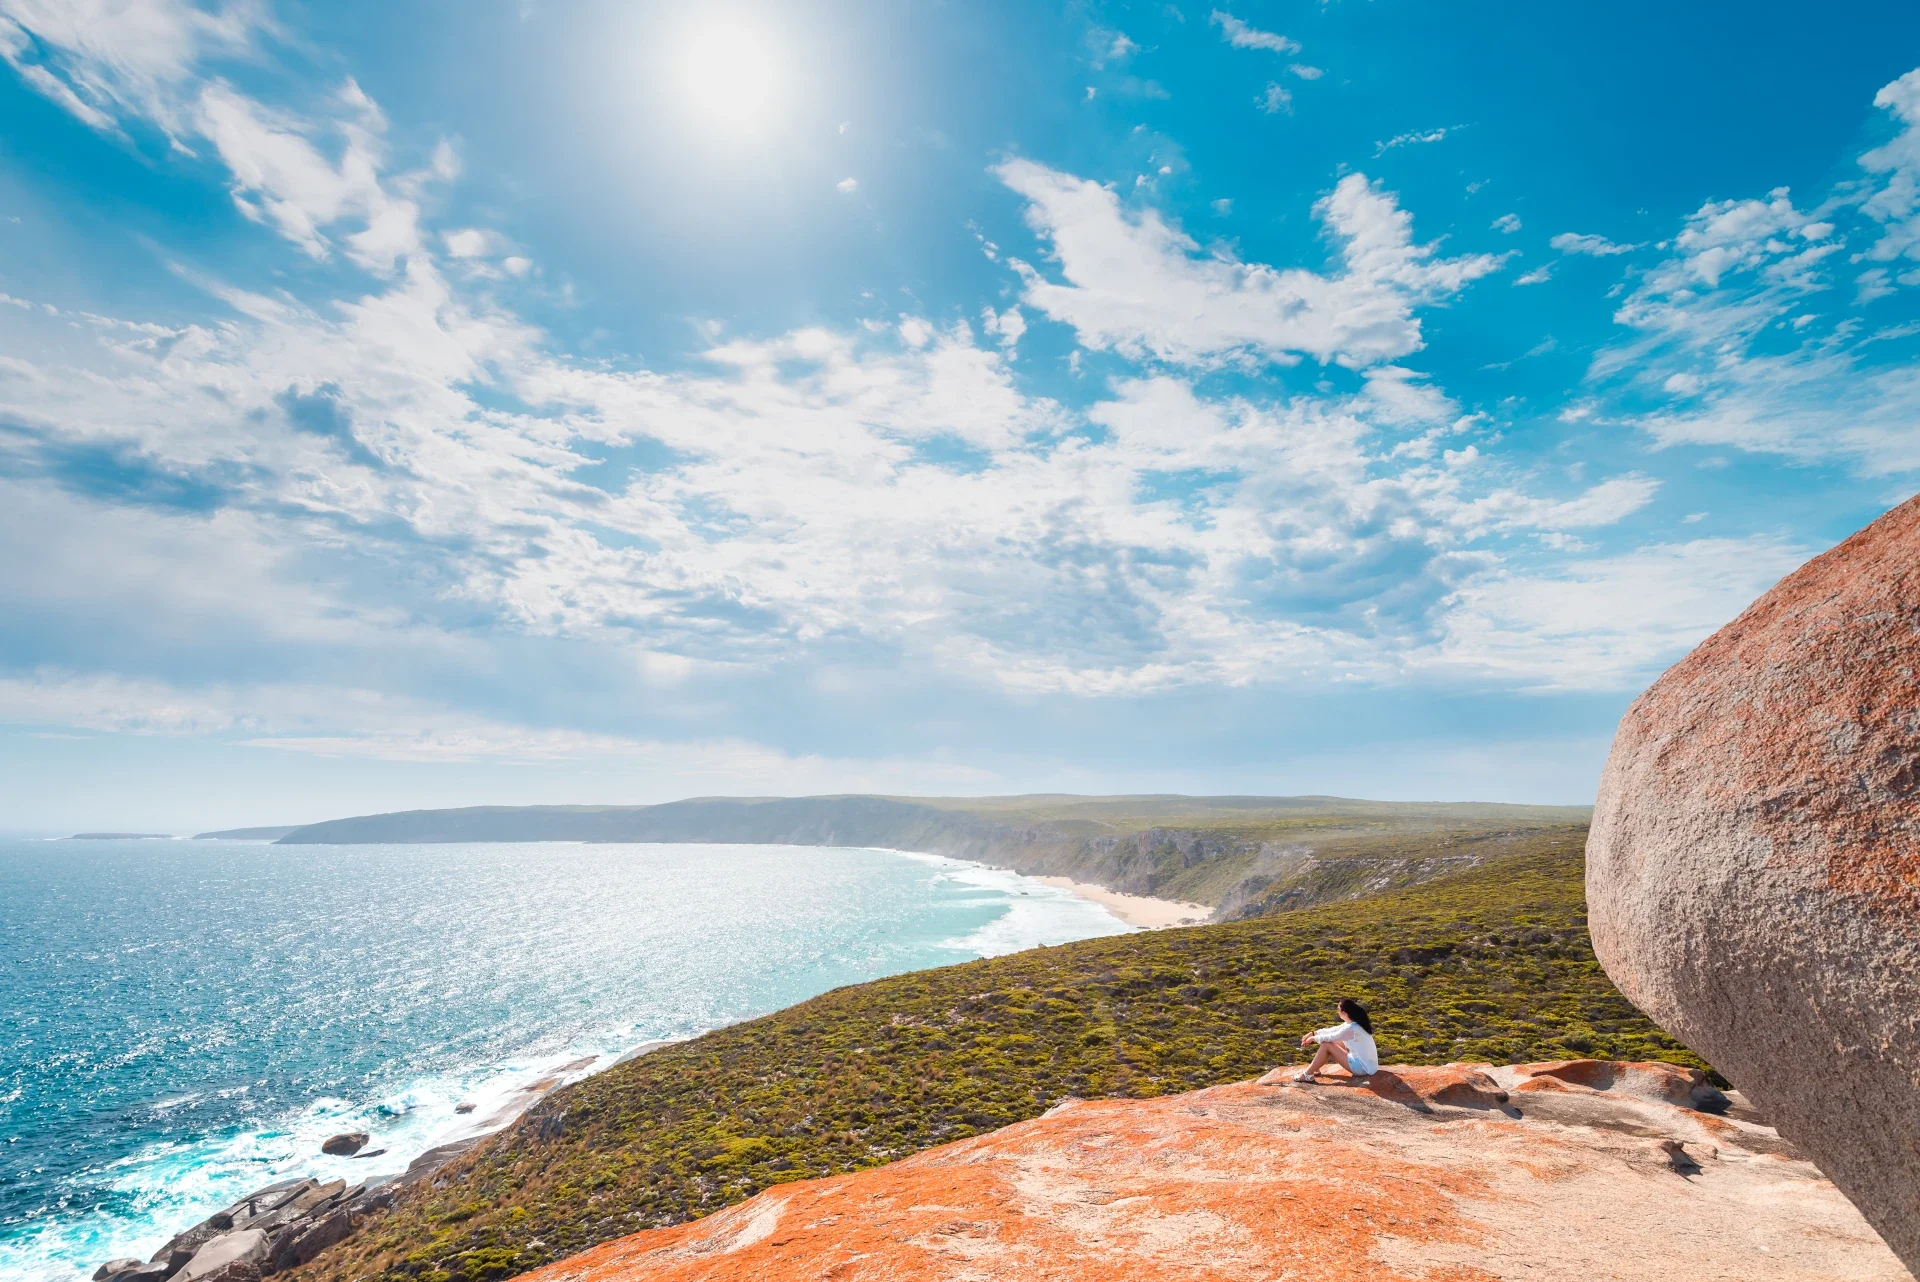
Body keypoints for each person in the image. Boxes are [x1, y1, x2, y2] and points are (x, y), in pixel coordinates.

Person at [1293, 997, 1378, 1082]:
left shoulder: (1351, 1028)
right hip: (1370, 1066)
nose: (1337, 1011)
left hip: (1362, 1068)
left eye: (1338, 1009)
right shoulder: (1355, 1023)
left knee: (1326, 1045)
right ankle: (1315, 1067)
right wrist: (1313, 1033)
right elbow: (1333, 1030)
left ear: (1343, 1013)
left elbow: (1332, 1036)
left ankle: (1307, 1075)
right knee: (1333, 1043)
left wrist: (1313, 1038)